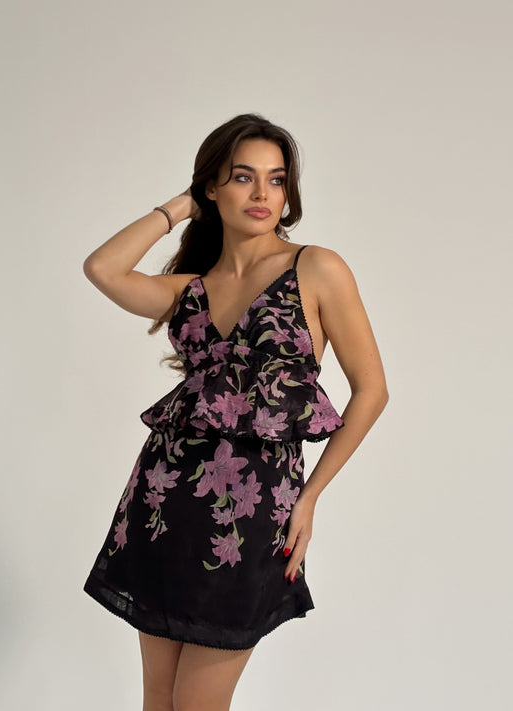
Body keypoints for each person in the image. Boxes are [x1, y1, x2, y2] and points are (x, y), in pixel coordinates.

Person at [82, 112, 388, 711]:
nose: (262, 194)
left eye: (276, 180)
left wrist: (310, 497)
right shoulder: (188, 289)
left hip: (250, 518)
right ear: (212, 188)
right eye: (243, 177)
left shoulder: (316, 267)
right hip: (163, 503)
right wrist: (180, 206)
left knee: (198, 703)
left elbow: (372, 390)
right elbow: (102, 269)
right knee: (158, 700)